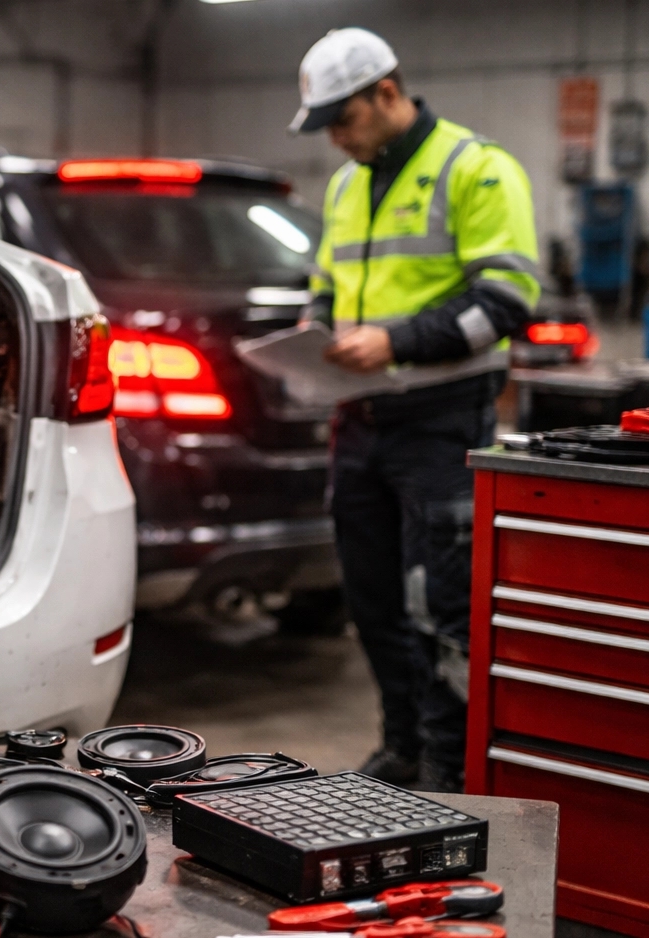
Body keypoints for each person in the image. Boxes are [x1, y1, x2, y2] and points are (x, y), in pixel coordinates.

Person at [290, 28, 540, 792]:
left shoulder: (476, 168)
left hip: (440, 424)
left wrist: (393, 342)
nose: (335, 138)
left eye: (342, 119)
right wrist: (314, 331)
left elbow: (507, 300)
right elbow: (327, 285)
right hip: (359, 423)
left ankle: (446, 769)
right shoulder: (345, 184)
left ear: (387, 93)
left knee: (440, 610)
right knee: (372, 605)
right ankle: (401, 746)